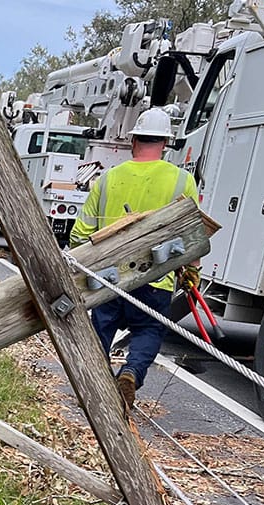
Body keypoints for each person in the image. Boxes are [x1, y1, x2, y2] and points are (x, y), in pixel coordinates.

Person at [69, 108, 200, 407]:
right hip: (157, 276)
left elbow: (81, 232)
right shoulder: (182, 181)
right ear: (166, 143)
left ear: (134, 140)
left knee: (101, 329)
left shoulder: (107, 179)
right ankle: (131, 372)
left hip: (108, 277)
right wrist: (193, 272)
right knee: (149, 329)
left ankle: (94, 387)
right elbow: (192, 233)